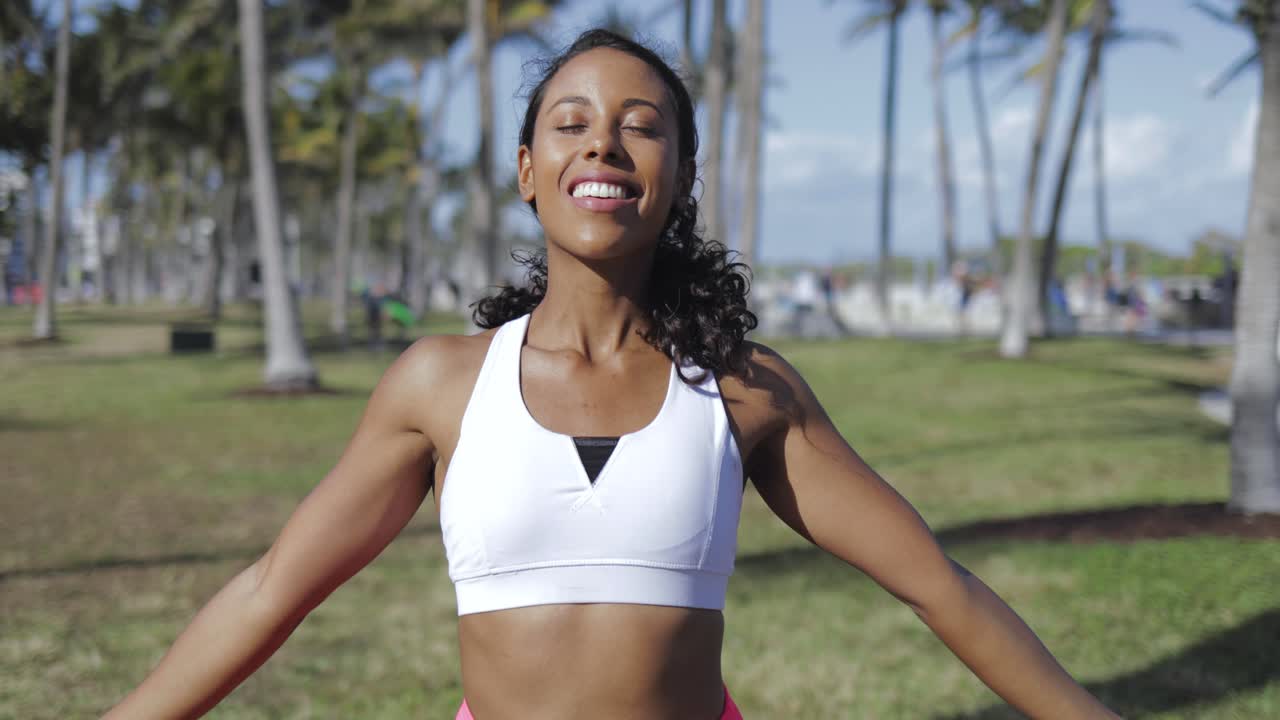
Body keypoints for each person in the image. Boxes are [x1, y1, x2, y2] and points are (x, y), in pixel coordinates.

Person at [103, 30, 1120, 720]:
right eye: (571, 121)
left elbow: (937, 588)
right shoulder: (439, 386)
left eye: (641, 124)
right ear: (526, 168)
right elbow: (272, 591)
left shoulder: (741, 388)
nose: (604, 140)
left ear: (676, 172)